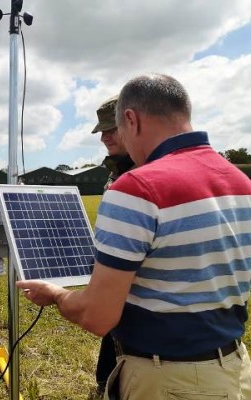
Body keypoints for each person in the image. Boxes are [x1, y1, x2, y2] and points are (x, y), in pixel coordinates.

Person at [17, 74, 251, 400]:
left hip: (170, 380)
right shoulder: (241, 182)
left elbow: (98, 316)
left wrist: (56, 294)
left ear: (131, 119)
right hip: (235, 367)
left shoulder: (137, 187)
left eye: (120, 131)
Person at [90, 95, 134, 398]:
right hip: (116, 287)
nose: (104, 137)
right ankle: (106, 380)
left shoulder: (146, 170)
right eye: (101, 130)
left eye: (111, 128)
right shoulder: (116, 170)